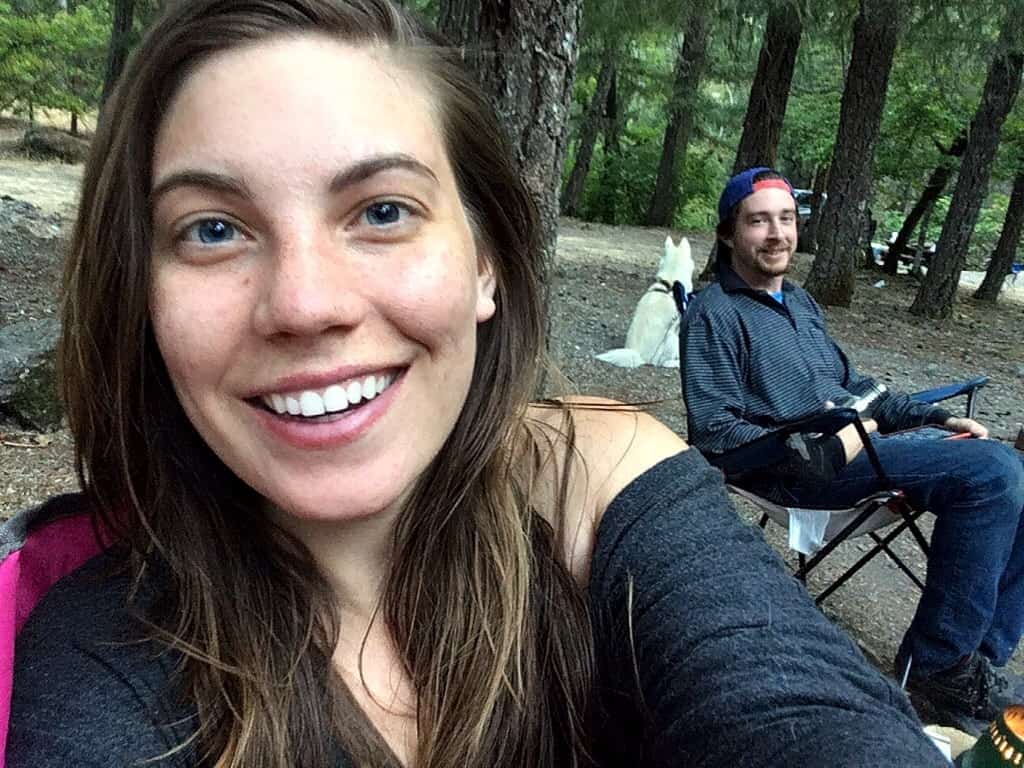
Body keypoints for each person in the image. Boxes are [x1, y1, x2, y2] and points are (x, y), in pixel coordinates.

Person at [4, 5, 950, 766]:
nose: (302, 305)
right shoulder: (103, 653)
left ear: (489, 262)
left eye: (381, 211)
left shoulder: (598, 480)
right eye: (211, 229)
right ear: (141, 294)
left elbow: (792, 706)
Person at [681, 165, 1024, 737]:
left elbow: (858, 386)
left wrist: (934, 416)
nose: (776, 234)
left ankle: (976, 662)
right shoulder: (715, 313)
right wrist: (810, 440)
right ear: (728, 233)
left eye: (785, 219)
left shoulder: (801, 302)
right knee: (990, 474)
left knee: (1009, 471)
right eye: (758, 221)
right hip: (802, 471)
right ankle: (936, 665)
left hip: (866, 446)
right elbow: (713, 434)